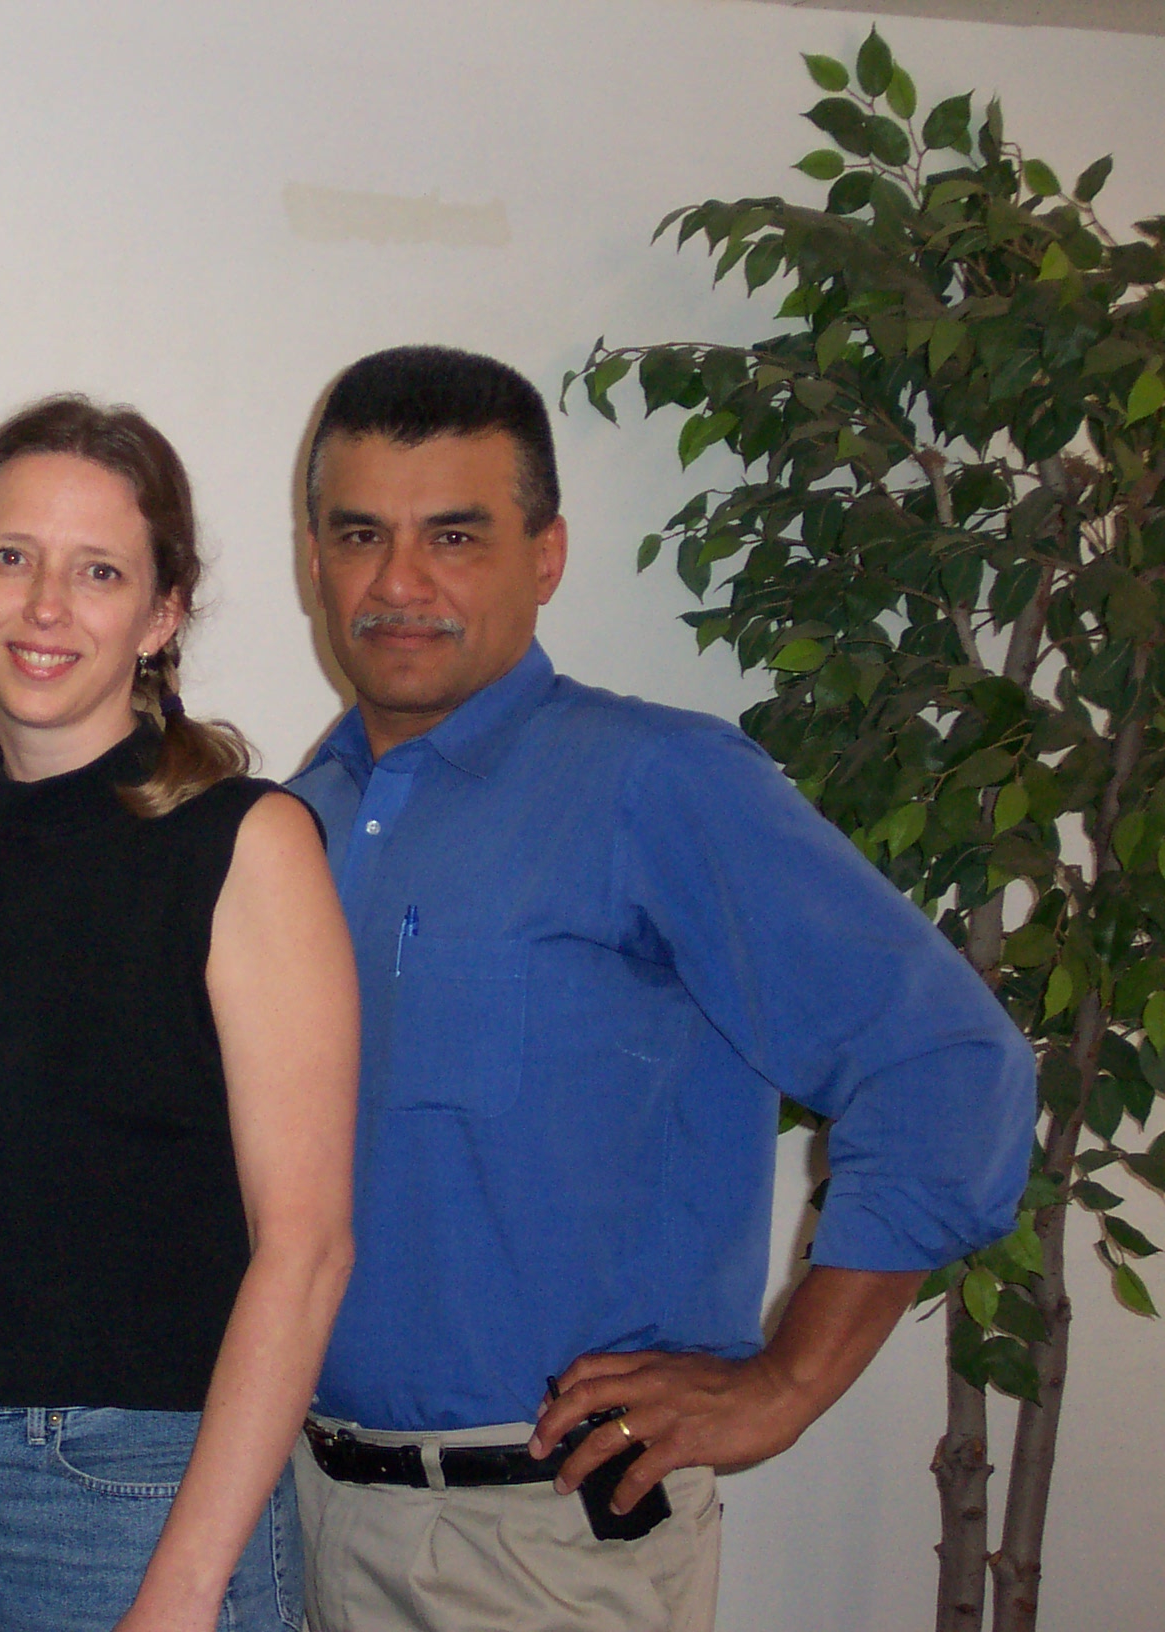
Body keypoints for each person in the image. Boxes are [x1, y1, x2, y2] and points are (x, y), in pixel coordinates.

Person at [282, 345, 1038, 1632]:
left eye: (455, 536)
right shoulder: (301, 817)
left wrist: (787, 1381)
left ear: (548, 554)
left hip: (543, 1553)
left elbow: (950, 1067)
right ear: (315, 558)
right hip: (302, 1520)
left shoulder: (660, 783)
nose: (398, 583)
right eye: (361, 534)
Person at [0, 397, 360, 1632]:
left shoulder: (246, 842)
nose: (46, 606)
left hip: (143, 1496)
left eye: (99, 570)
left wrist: (181, 1591)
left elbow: (307, 1250)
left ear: (162, 615)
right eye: (13, 559)